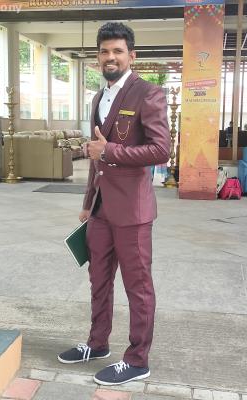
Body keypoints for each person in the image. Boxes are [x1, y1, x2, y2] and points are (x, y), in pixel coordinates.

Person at [58, 22, 170, 386]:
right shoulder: (98, 98)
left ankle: (137, 359)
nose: (111, 57)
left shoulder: (148, 94)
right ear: (97, 57)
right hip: (101, 211)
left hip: (133, 212)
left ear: (131, 56)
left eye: (118, 51)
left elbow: (161, 150)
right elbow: (96, 157)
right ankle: (97, 343)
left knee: (138, 286)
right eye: (105, 51)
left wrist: (111, 151)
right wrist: (88, 203)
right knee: (99, 280)